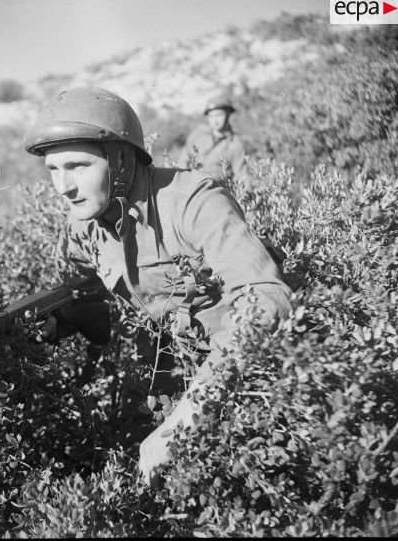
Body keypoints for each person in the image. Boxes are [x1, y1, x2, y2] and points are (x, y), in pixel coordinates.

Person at [23, 87, 291, 486]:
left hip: (242, 376)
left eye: (77, 166)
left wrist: (185, 417)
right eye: (53, 170)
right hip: (162, 374)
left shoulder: (192, 200)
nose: (64, 187)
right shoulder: (81, 227)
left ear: (120, 158)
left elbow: (267, 299)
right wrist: (54, 324)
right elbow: (88, 295)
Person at [178, 93, 251, 187]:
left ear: (228, 115)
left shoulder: (235, 144)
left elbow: (243, 177)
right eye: (211, 116)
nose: (215, 120)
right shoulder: (198, 134)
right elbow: (182, 162)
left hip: (215, 194)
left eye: (219, 115)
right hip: (190, 188)